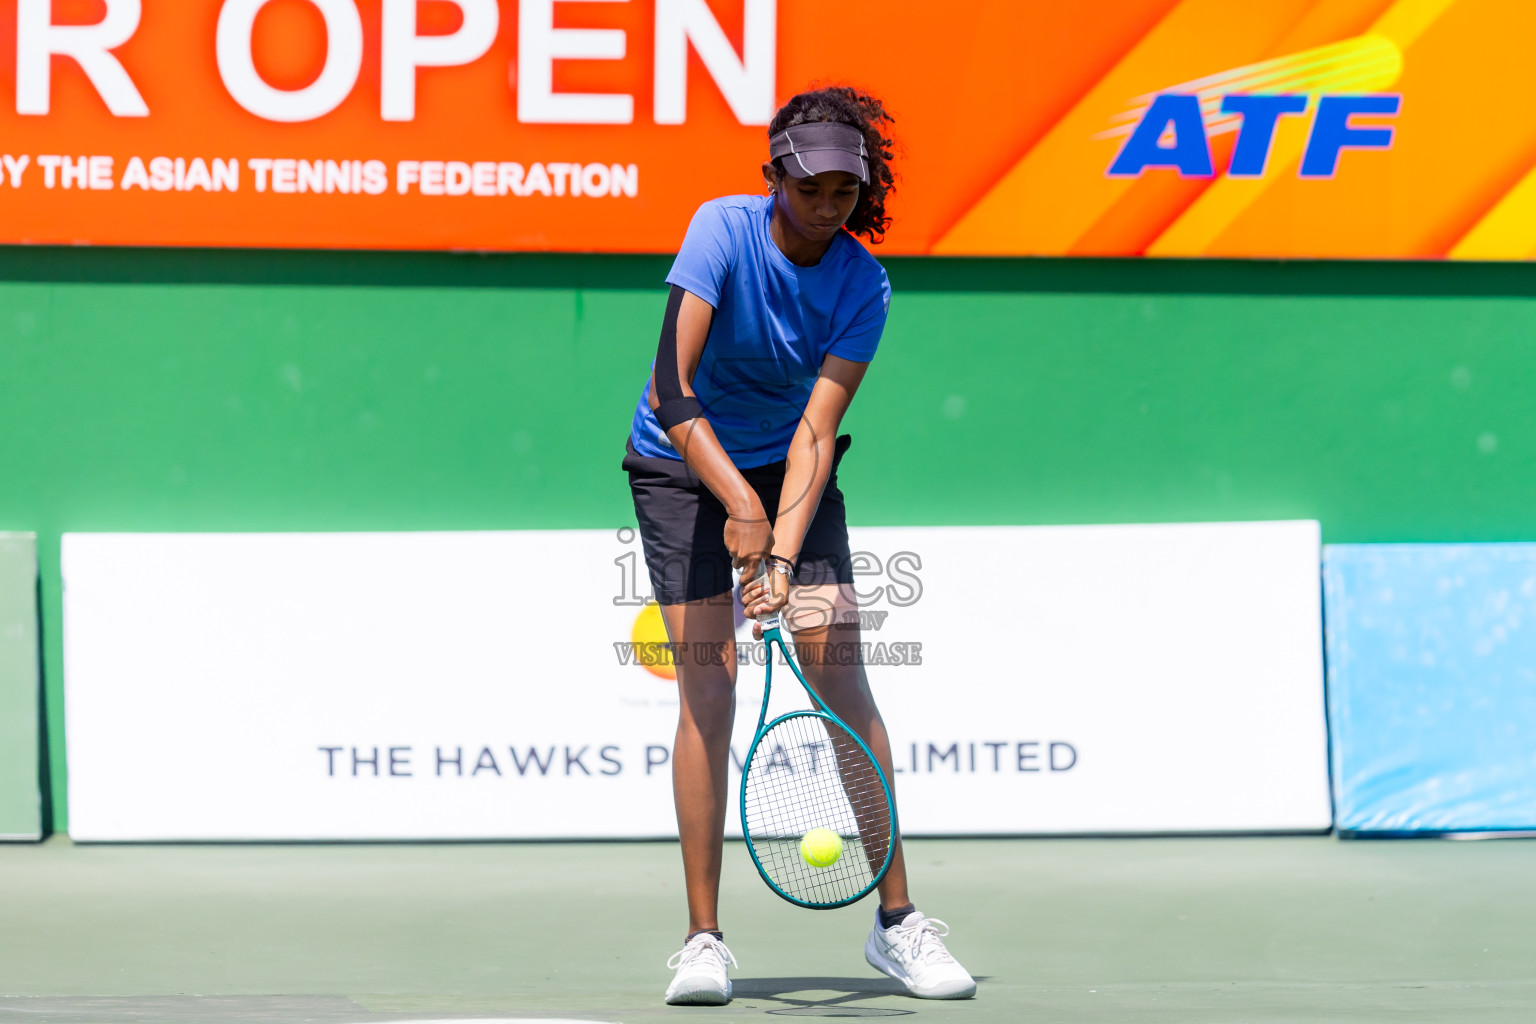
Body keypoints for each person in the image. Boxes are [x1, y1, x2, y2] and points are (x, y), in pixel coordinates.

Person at [622, 86, 976, 1006]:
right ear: (774, 175)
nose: (826, 208)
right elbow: (673, 386)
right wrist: (738, 503)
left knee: (841, 673)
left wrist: (778, 556)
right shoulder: (721, 232)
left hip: (792, 469)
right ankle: (703, 941)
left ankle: (897, 923)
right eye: (810, 188)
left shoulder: (864, 283)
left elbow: (819, 427)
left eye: (844, 194)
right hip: (678, 467)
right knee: (710, 684)